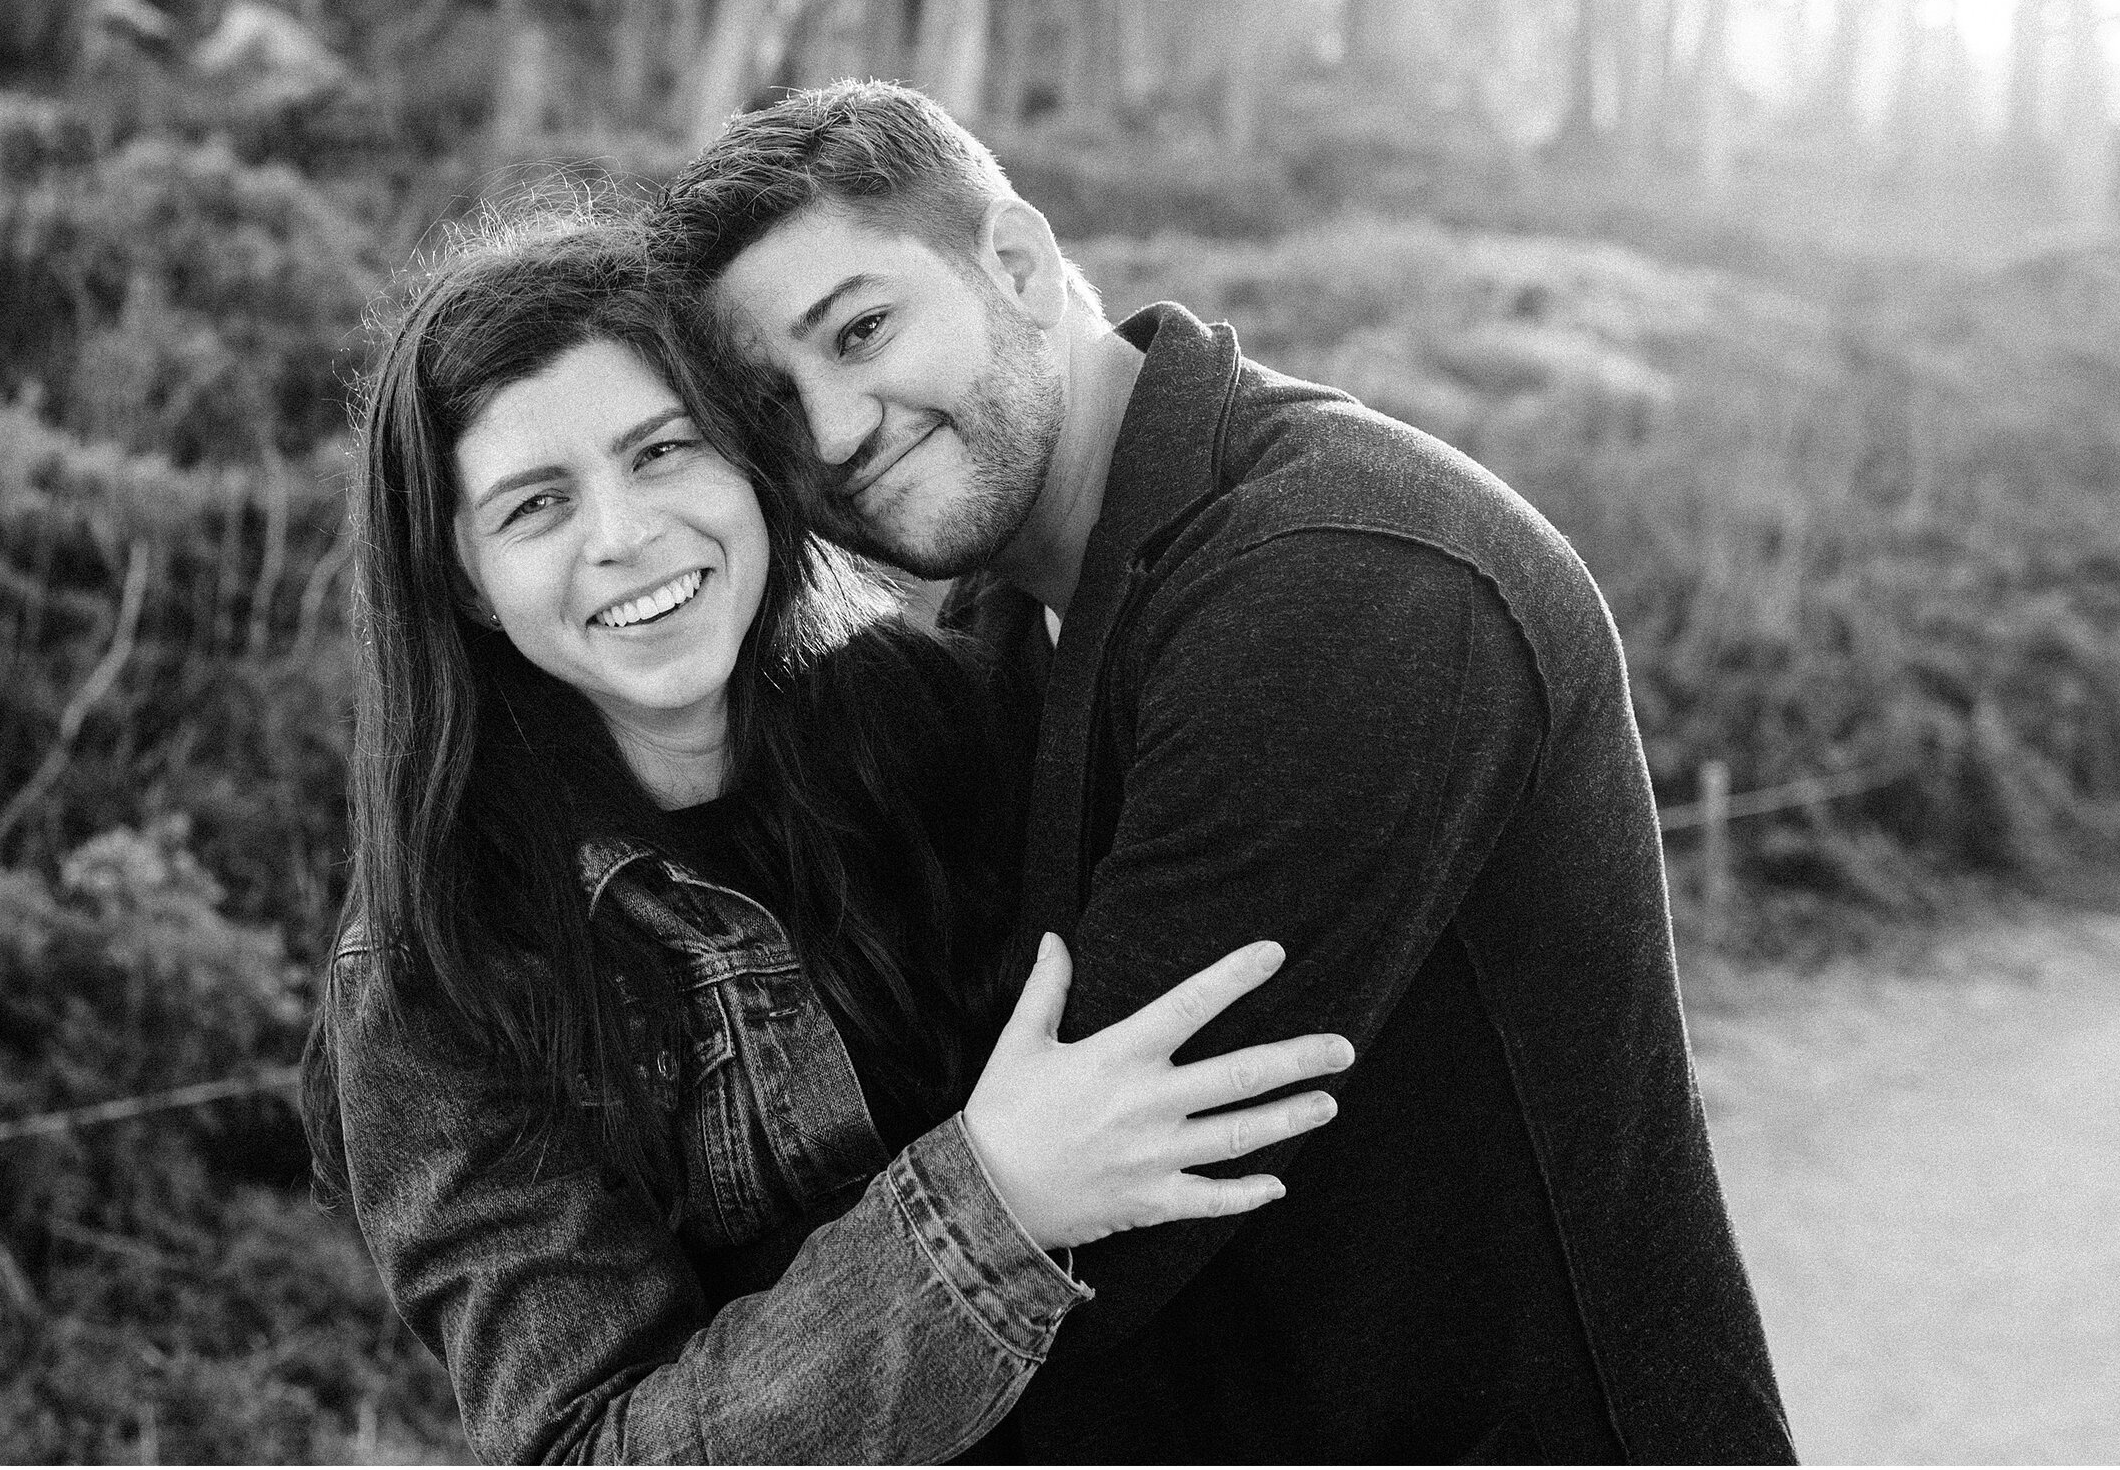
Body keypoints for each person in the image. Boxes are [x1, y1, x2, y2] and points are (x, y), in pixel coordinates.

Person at [649, 80, 1799, 1464]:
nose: (833, 432)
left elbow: (1087, 1242)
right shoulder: (1008, 629)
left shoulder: (1336, 581)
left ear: (1014, 261)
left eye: (865, 329)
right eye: (774, 404)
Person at [299, 208, 1357, 1463]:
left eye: (662, 451)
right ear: (467, 579)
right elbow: (584, 1447)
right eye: (536, 506)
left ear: (752, 463)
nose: (624, 535)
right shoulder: (444, 971)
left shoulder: (960, 726)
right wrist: (993, 1200)